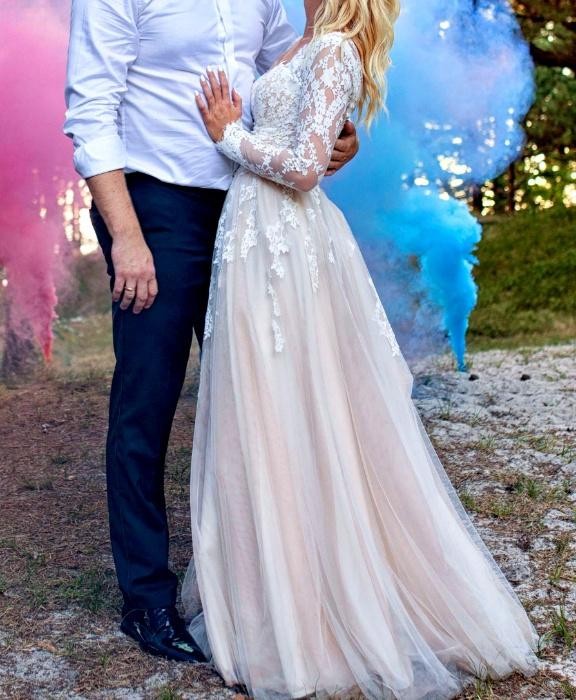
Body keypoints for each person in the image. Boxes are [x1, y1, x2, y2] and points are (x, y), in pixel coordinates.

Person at [181, 0, 541, 697]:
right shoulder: (298, 42)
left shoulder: (336, 48)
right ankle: (270, 599)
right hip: (254, 238)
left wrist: (229, 136)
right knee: (260, 407)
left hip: (285, 240)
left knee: (297, 405)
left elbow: (306, 167)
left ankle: (318, 609)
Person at [63, 0, 360, 664]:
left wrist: (338, 132)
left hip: (252, 205)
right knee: (146, 403)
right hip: (155, 207)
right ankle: (147, 598)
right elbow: (92, 111)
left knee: (258, 401)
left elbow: (288, 70)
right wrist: (127, 237)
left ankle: (259, 590)